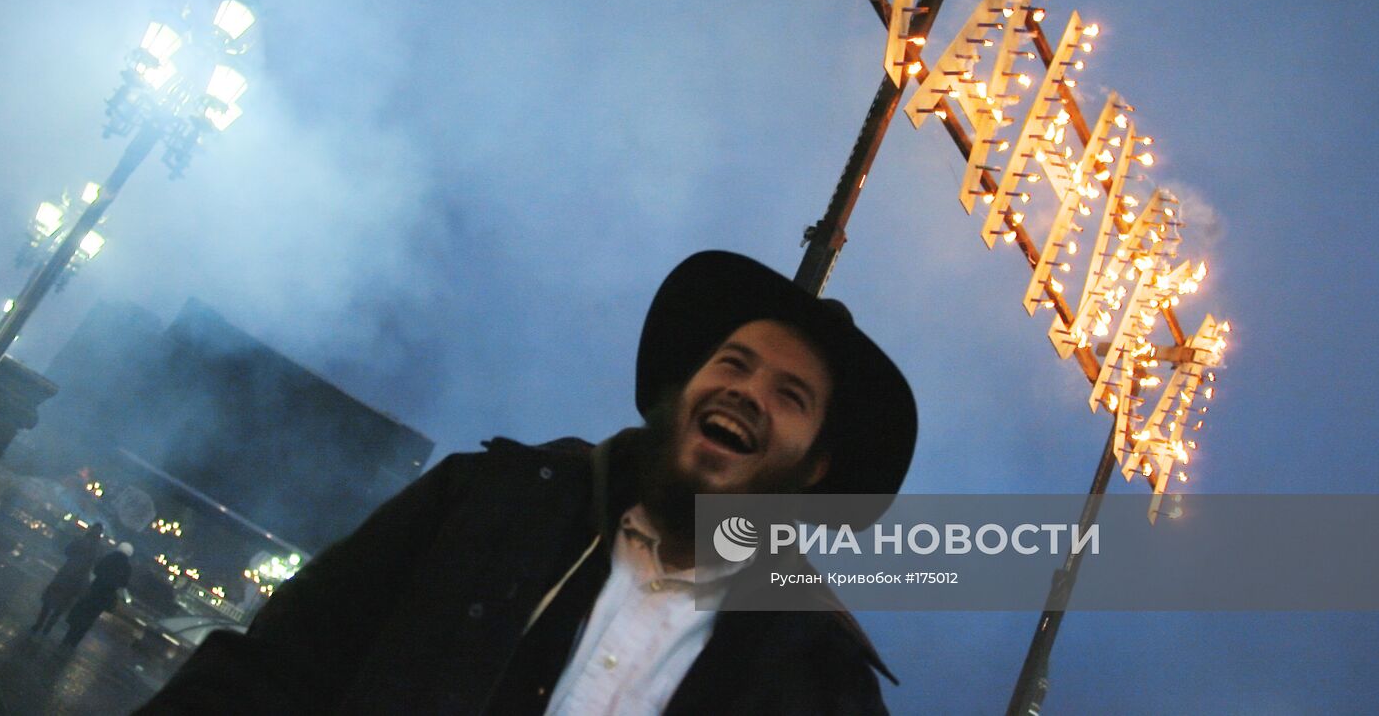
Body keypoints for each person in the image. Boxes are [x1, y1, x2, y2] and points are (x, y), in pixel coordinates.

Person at [140, 251, 918, 714]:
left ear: (815, 466)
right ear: (685, 390)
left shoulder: (820, 682)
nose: (746, 391)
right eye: (733, 363)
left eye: (790, 394)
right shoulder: (486, 503)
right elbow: (271, 674)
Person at [31, 522, 104, 635]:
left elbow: (67, 551)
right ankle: (48, 628)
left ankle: (38, 624)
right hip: (78, 579)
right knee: (62, 605)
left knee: (49, 600)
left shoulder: (80, 540)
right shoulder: (98, 549)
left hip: (66, 573)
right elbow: (95, 565)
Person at [61, 541, 133, 649]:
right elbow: (124, 584)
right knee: (90, 619)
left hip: (94, 590)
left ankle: (67, 638)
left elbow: (96, 569)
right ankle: (75, 642)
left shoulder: (109, 558)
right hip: (105, 597)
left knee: (81, 613)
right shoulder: (127, 567)